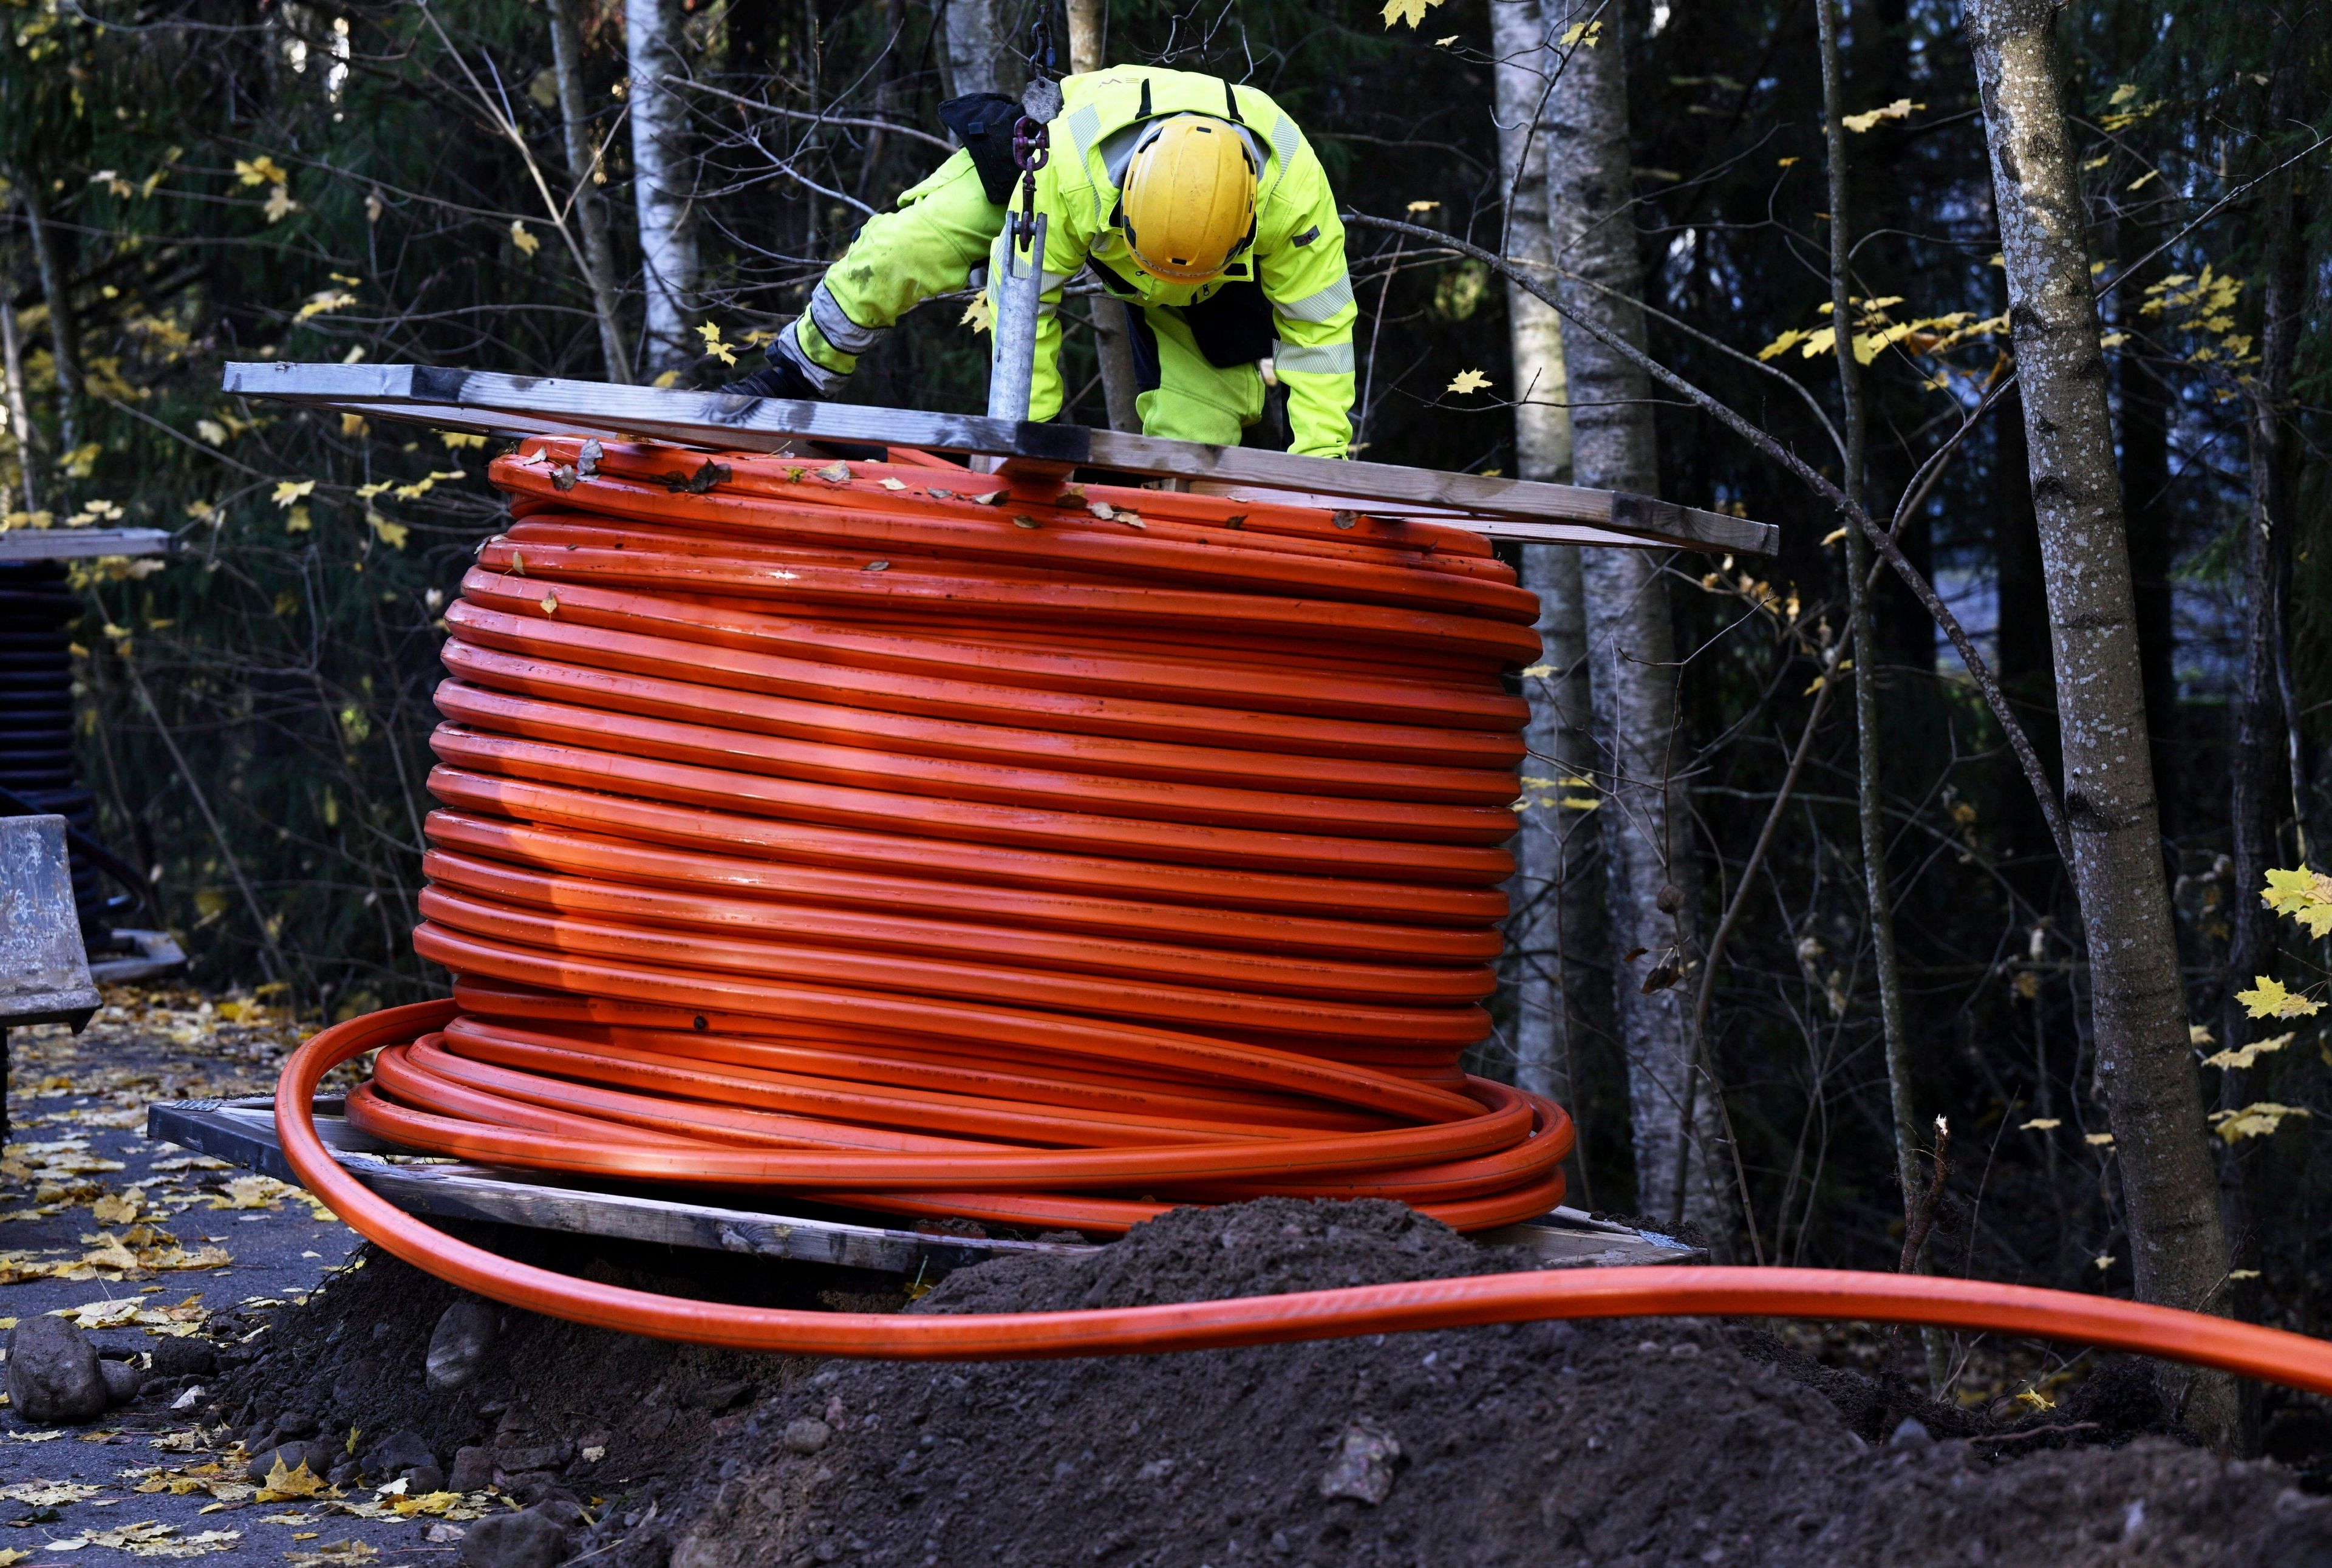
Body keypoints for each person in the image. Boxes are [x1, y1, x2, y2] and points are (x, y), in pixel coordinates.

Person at [720, 64, 1357, 458]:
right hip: (1045, 171)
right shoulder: (1070, 168)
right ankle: (795, 374)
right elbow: (1027, 300)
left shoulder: (1296, 200)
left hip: (1210, 291)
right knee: (900, 250)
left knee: (1199, 449)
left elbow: (1321, 335)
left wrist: (1326, 471)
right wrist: (1032, 443)